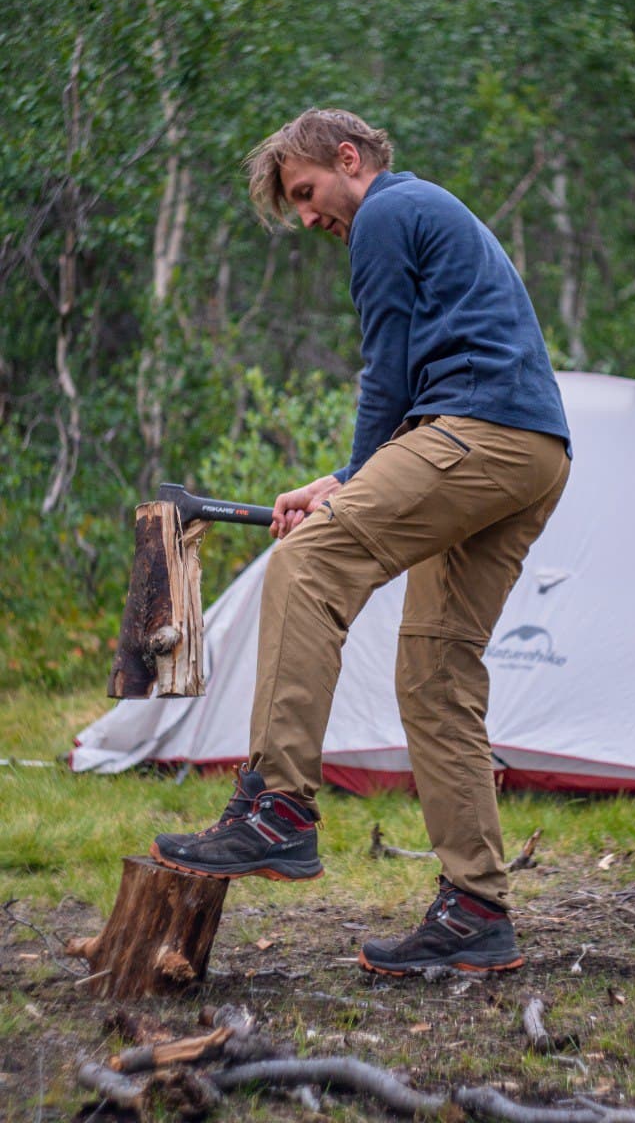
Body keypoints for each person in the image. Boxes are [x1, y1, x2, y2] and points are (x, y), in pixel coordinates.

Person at [151, 108, 572, 975]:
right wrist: (343, 483)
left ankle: (276, 809)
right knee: (435, 671)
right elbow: (415, 375)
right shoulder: (426, 212)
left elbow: (385, 364)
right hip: (531, 449)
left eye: (307, 192)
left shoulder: (384, 212)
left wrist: (350, 478)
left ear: (349, 160)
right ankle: (475, 911)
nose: (308, 217)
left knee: (307, 561)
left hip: (475, 431)